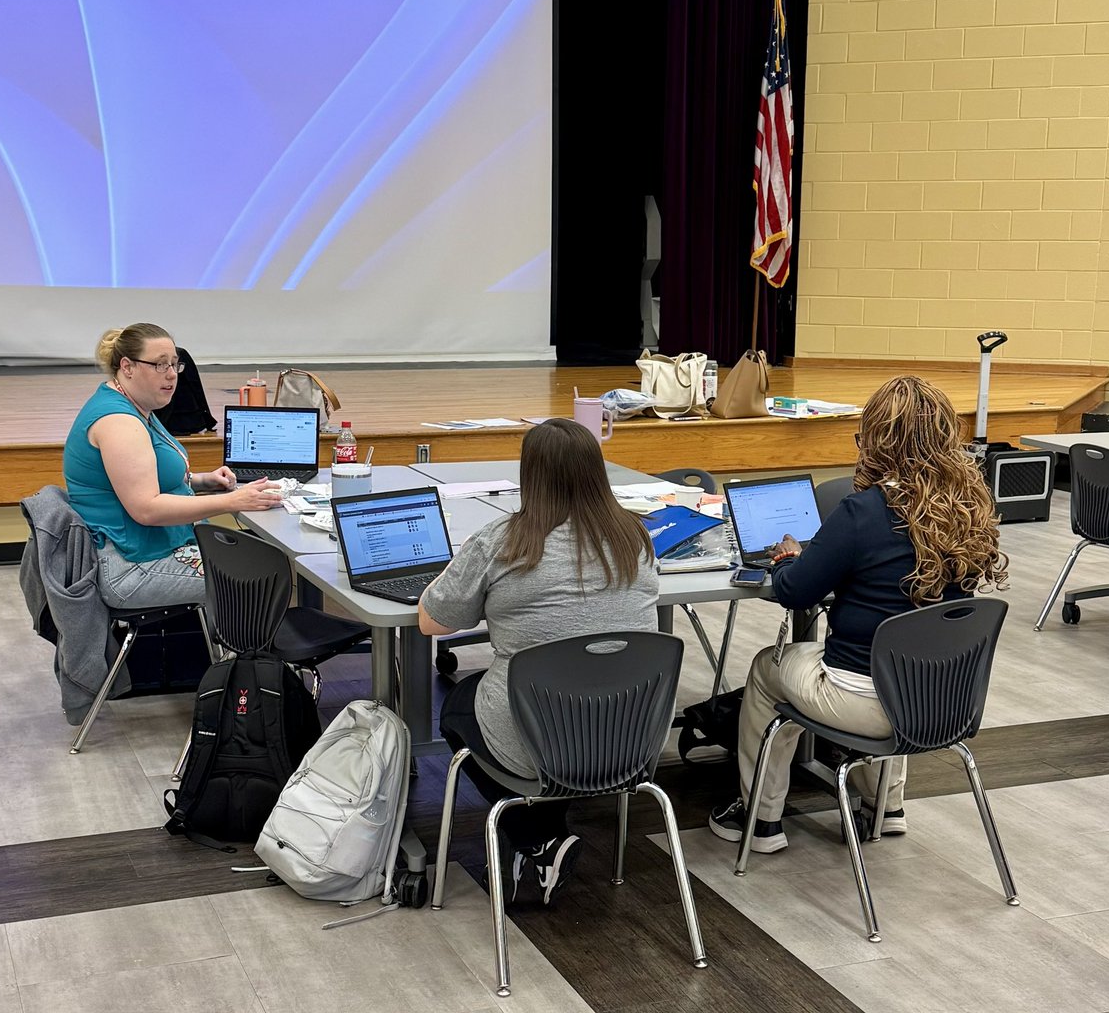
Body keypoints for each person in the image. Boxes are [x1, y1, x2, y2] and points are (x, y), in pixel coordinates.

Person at [709, 374, 1008, 852]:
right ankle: (886, 807)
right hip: (942, 698)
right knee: (904, 658)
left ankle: (760, 819)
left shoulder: (864, 511)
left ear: (878, 441)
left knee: (767, 667)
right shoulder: (968, 507)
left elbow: (794, 592)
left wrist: (788, 558)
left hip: (865, 705)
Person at [419, 418, 659, 905]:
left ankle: (535, 836)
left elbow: (433, 623)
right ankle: (551, 829)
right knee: (572, 693)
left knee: (457, 706)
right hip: (630, 737)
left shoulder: (502, 541)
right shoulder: (635, 536)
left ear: (529, 476)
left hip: (538, 736)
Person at [63, 323, 285, 609]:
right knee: (262, 579)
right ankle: (248, 652)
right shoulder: (120, 424)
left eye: (174, 365)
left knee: (261, 565)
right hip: (130, 567)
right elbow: (147, 508)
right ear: (127, 367)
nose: (171, 375)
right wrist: (232, 501)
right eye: (159, 365)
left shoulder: (134, 405)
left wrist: (204, 481)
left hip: (148, 550)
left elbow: (141, 478)